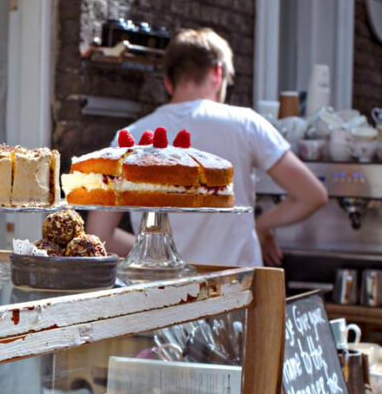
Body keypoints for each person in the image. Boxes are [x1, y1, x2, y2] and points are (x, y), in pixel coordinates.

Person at [87, 27, 327, 266]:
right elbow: (312, 195)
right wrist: (256, 226)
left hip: (164, 294)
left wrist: (160, 252)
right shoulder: (245, 123)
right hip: (232, 292)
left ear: (168, 82)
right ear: (217, 73)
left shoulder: (129, 137)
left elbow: (99, 235)